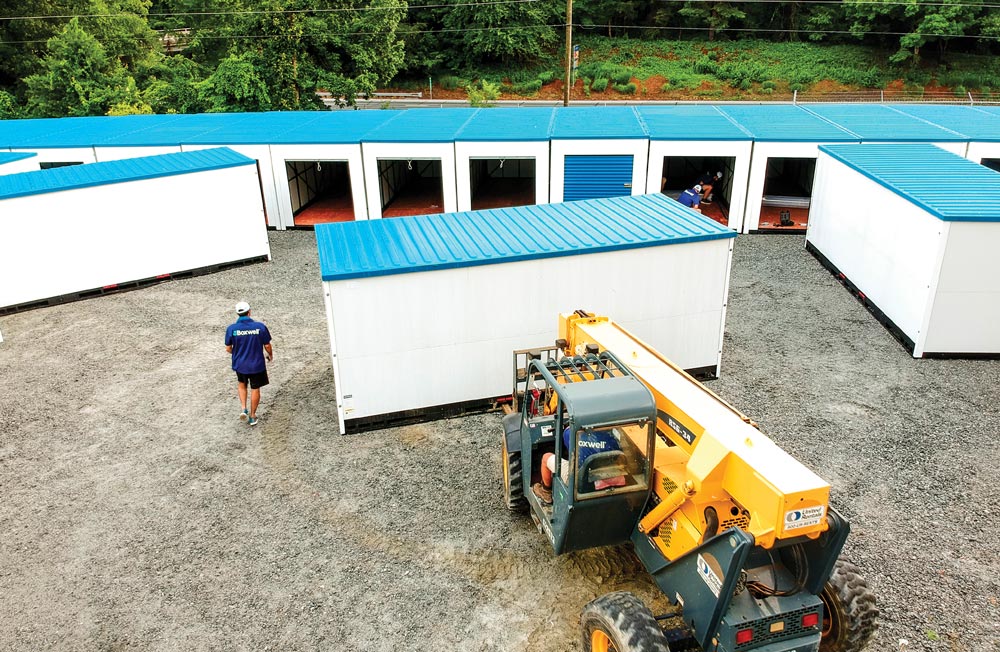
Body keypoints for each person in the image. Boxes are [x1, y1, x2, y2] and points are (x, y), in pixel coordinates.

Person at [532, 427, 626, 505]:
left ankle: (546, 491)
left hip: (581, 481)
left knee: (546, 457)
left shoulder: (569, 433)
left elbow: (570, 450)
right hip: (610, 476)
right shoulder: (611, 436)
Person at [225, 301, 273, 427]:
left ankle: (243, 408)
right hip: (256, 364)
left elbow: (228, 348)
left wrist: (237, 354)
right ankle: (252, 416)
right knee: (255, 388)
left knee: (242, 384)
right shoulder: (259, 327)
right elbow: (267, 344)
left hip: (240, 364)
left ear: (237, 313)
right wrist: (270, 354)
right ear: (249, 312)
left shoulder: (231, 329)